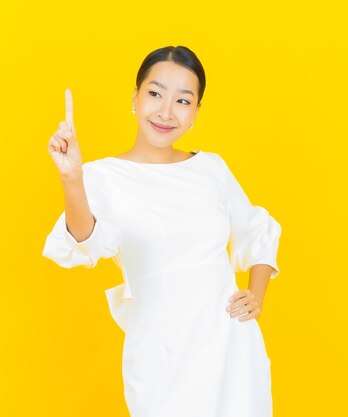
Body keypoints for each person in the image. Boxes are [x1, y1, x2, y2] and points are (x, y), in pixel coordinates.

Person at [42, 45, 282, 417]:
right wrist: (72, 178)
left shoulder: (212, 169)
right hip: (159, 356)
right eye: (155, 94)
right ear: (135, 98)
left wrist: (256, 294)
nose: (166, 112)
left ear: (196, 112)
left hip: (231, 350)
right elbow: (86, 243)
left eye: (183, 101)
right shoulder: (102, 176)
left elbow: (258, 231)